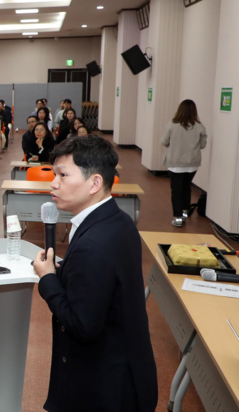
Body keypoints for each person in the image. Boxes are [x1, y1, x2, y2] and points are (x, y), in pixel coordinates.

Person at [33, 135, 157, 412]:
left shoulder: (93, 243)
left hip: (104, 388)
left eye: (63, 175)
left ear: (94, 183)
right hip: (126, 371)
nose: (53, 183)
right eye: (54, 174)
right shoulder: (118, 219)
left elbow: (83, 326)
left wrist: (48, 279)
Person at [161, 99, 208, 227]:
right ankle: (184, 213)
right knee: (187, 187)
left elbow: (164, 141)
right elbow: (202, 145)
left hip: (175, 163)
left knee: (176, 190)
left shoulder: (171, 125)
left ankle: (177, 218)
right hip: (192, 163)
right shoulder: (199, 126)